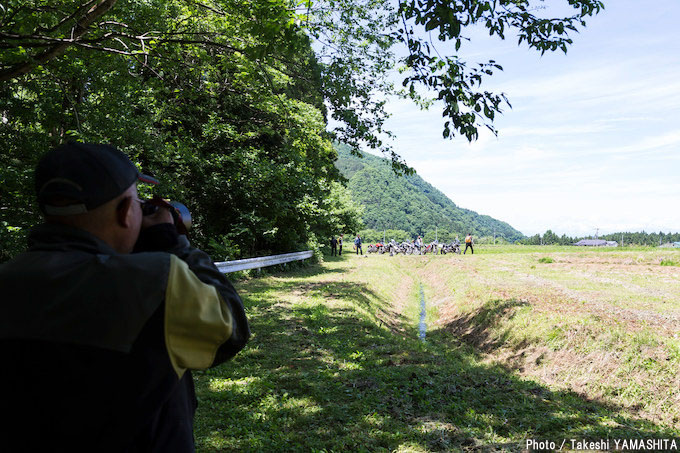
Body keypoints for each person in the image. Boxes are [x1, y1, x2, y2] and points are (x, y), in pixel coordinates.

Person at [0, 142, 250, 452]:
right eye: (137, 200)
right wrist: (174, 245)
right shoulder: (155, 281)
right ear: (124, 212)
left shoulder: (8, 278)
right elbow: (231, 329)